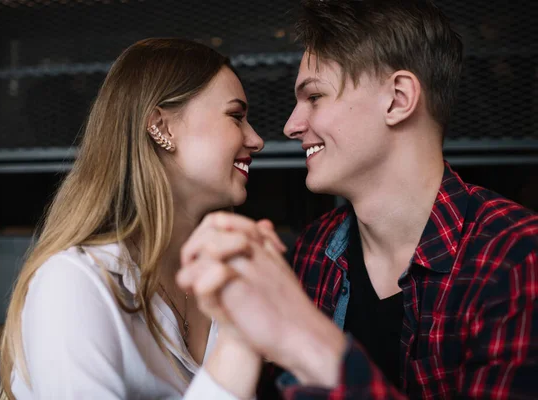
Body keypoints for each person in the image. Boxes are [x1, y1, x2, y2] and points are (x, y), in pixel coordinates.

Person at [177, 0, 538, 398]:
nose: (291, 126)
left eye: (314, 97)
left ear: (398, 99)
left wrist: (310, 340)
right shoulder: (313, 252)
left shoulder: (517, 258)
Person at [0, 38, 271, 399]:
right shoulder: (75, 283)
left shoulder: (225, 280)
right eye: (236, 116)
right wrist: (238, 349)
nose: (257, 140)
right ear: (162, 127)